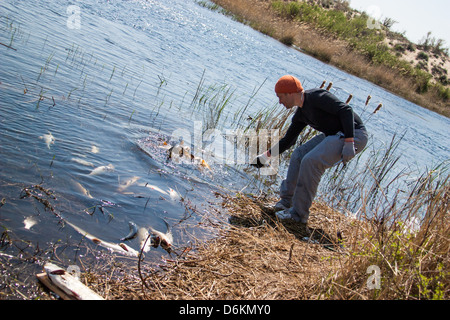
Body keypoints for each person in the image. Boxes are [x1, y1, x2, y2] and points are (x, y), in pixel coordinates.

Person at [252, 75, 368, 227]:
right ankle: (287, 202)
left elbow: (346, 110)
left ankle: (298, 215)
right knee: (299, 155)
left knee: (311, 161)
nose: (279, 102)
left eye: (280, 97)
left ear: (290, 93)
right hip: (333, 136)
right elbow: (289, 140)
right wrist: (264, 157)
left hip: (354, 134)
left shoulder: (316, 96)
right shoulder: (301, 114)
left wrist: (349, 142)